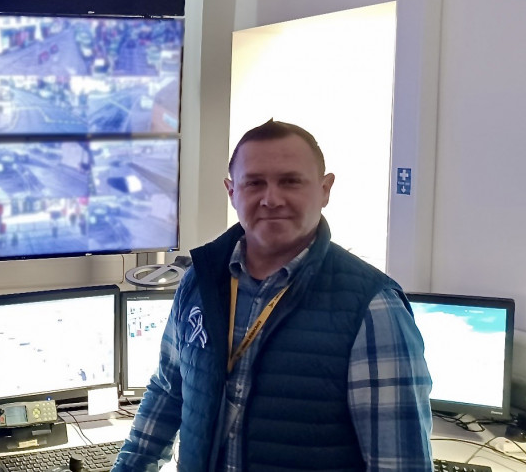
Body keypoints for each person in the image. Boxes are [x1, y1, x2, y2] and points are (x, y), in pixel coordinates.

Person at [112, 120, 433, 471]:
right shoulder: (199, 282)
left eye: (290, 181)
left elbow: (401, 464)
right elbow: (167, 392)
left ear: (325, 190)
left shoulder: (373, 308)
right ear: (232, 191)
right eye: (255, 183)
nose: (271, 199)